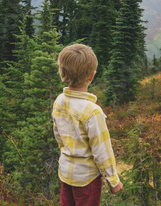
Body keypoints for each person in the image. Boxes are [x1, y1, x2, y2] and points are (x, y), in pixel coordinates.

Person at [52, 44, 123, 206]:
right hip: (87, 180)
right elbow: (102, 151)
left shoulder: (59, 101)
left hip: (65, 172)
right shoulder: (93, 112)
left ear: (61, 73)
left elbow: (59, 137)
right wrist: (113, 181)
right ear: (92, 76)